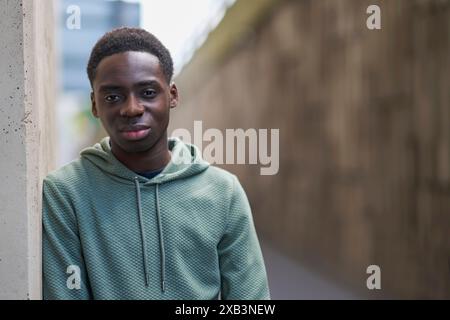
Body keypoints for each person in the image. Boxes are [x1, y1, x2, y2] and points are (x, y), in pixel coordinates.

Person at [43, 27, 270, 300]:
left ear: (172, 95)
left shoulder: (223, 192)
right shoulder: (65, 193)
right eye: (113, 97)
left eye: (148, 92)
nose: (132, 108)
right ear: (94, 105)